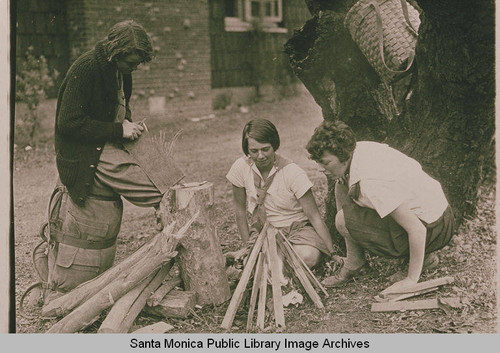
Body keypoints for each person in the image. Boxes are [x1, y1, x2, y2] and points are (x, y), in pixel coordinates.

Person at [45, 20, 164, 301]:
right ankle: (166, 206)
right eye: (130, 64)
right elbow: (68, 123)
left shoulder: (122, 72)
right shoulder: (86, 69)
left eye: (137, 66)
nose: (133, 70)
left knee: (163, 176)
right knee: (152, 189)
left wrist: (130, 125)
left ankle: (168, 209)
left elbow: (120, 108)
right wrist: (117, 129)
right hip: (84, 151)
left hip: (105, 142)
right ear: (115, 53)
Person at [306, 120, 455, 294]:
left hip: (434, 227)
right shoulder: (357, 149)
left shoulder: (371, 183)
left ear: (343, 155)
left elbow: (417, 229)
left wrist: (411, 280)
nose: (321, 169)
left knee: (343, 220)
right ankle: (355, 262)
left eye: (326, 162)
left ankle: (423, 260)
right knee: (341, 186)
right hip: (436, 213)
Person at [226, 119, 335, 269]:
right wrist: (247, 247)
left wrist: (332, 253)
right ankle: (265, 262)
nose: (260, 156)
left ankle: (271, 264)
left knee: (308, 257)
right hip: (264, 230)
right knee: (256, 261)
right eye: (254, 151)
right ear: (247, 149)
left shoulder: (292, 172)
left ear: (274, 145)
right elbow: (239, 210)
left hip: (297, 230)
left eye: (265, 149)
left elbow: (314, 216)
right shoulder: (241, 167)